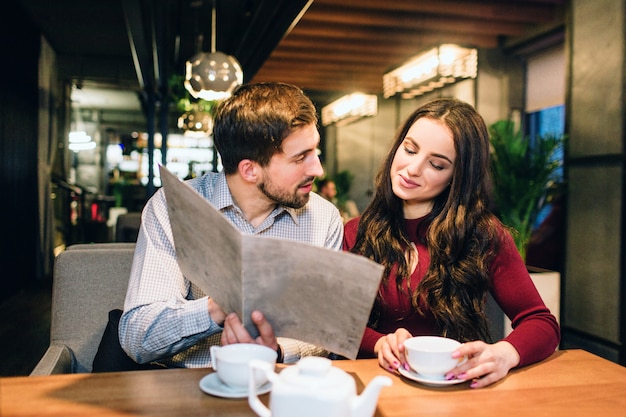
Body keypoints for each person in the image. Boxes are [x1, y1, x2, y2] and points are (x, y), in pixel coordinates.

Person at [119, 82, 344, 367]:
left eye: (315, 152)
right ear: (250, 169)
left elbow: (327, 326)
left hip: (284, 385)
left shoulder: (324, 218)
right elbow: (137, 336)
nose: (317, 169)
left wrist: (277, 349)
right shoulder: (172, 206)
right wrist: (221, 306)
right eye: (300, 158)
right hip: (189, 386)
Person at [343, 98, 560, 388]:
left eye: (436, 164)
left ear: (457, 178)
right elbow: (340, 323)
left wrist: (504, 354)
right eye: (409, 149)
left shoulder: (483, 236)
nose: (413, 168)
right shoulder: (356, 232)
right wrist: (380, 342)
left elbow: (541, 322)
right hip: (376, 388)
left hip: (458, 389)